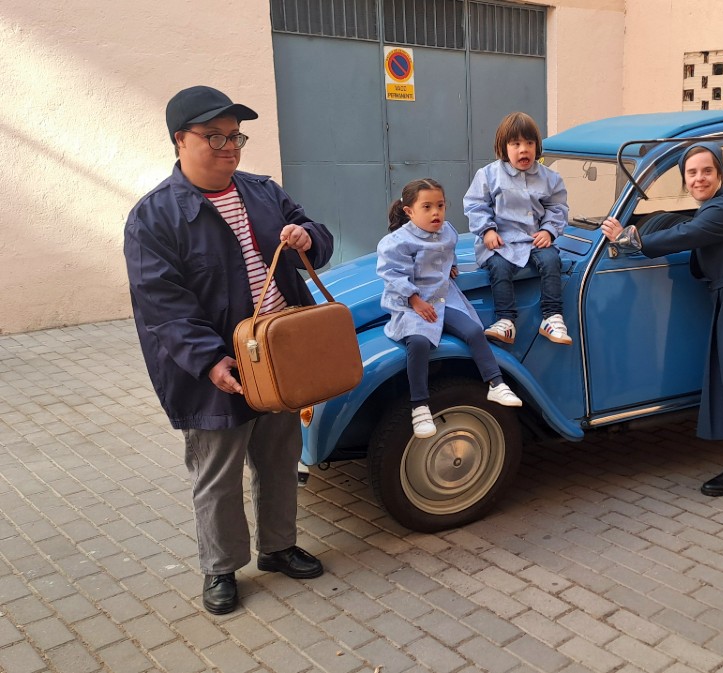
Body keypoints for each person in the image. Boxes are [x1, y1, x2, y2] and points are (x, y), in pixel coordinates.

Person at [124, 86, 332, 615]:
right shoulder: (154, 217)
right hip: (218, 365)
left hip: (280, 353)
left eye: (235, 135)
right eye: (214, 136)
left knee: (281, 457)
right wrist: (210, 360)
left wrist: (307, 237)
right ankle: (220, 568)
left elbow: (318, 237)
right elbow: (162, 305)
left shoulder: (263, 192)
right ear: (180, 140)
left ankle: (279, 547)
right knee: (217, 473)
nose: (228, 146)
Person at [601, 143, 723, 496]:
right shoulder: (715, 207)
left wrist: (630, 237)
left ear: (720, 174)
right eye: (692, 172)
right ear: (685, 179)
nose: (699, 178)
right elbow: (691, 229)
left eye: (706, 171)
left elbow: (684, 235)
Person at [377, 178, 523, 437]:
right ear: (409, 212)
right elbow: (392, 274)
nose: (436, 213)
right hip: (412, 301)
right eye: (427, 207)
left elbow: (448, 250)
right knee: (419, 342)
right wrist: (414, 300)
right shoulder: (397, 242)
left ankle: (495, 382)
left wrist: (451, 265)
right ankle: (419, 405)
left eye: (440, 205)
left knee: (474, 331)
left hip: (444, 296)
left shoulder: (448, 231)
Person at [464, 112, 572, 346]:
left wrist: (548, 231)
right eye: (516, 144)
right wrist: (487, 231)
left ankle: (552, 317)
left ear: (537, 146)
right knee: (500, 267)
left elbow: (557, 207)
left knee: (552, 260)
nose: (523, 150)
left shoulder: (549, 178)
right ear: (504, 147)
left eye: (529, 143)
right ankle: (506, 321)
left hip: (533, 239)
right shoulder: (489, 175)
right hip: (499, 241)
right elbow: (475, 205)